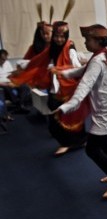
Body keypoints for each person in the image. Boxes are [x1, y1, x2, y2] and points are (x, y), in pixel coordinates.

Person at [52, 24, 107, 199]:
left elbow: (83, 88)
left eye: (87, 40)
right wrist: (65, 74)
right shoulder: (100, 55)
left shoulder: (98, 60)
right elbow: (82, 71)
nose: (84, 43)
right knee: (105, 144)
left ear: (98, 41)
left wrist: (64, 107)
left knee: (92, 149)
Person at [10, 21, 87, 156]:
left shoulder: (70, 49)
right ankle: (69, 142)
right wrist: (23, 68)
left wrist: (59, 69)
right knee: (54, 122)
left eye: (62, 36)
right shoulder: (51, 49)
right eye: (56, 36)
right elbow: (37, 61)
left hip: (68, 89)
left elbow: (76, 68)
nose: (59, 39)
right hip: (54, 90)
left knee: (70, 119)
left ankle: (72, 143)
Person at [0, 49, 32, 114]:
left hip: (11, 80)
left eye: (5, 59)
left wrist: (16, 73)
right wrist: (7, 84)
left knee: (25, 86)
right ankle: (18, 105)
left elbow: (12, 73)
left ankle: (21, 104)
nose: (4, 61)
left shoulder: (7, 63)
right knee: (8, 88)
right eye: (2, 59)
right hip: (3, 84)